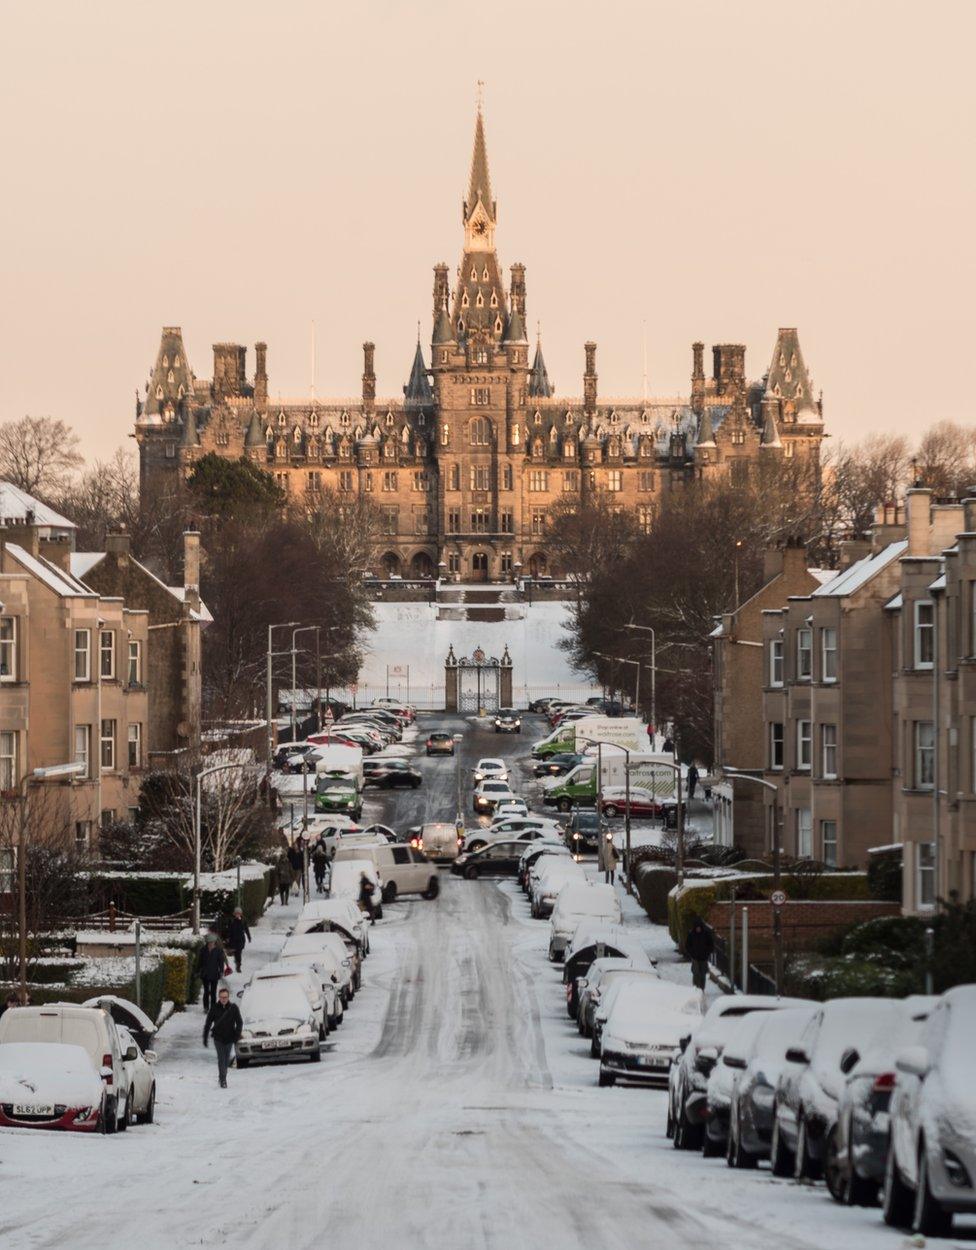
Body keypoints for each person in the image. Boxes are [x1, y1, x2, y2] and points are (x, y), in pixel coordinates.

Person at [203, 984, 243, 1088]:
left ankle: (222, 1076)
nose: (223, 999)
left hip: (230, 1037)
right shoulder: (214, 1008)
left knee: (226, 1059)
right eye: (221, 997)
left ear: (228, 997)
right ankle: (223, 1080)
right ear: (219, 997)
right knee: (221, 1059)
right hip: (218, 1038)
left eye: (225, 997)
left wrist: (237, 1035)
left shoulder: (233, 1008)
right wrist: (205, 1037)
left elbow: (239, 1022)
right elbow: (208, 1023)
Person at [198, 931, 230, 1011]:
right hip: (205, 974)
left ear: (215, 942)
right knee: (206, 991)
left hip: (214, 974)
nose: (211, 944)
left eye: (212, 942)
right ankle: (206, 1007)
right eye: (210, 942)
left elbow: (221, 962)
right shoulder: (203, 950)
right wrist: (198, 970)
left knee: (213, 992)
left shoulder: (218, 951)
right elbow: (200, 962)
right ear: (207, 942)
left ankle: (212, 1007)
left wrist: (221, 971)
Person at [685, 918, 714, 991]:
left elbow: (711, 945)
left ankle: (702, 988)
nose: (698, 929)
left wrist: (707, 953)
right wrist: (692, 953)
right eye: (697, 927)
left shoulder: (706, 934)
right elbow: (688, 945)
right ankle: (695, 988)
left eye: (699, 927)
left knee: (702, 974)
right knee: (696, 973)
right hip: (695, 957)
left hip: (704, 958)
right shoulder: (691, 934)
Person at [226, 906, 251, 974]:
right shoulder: (231, 920)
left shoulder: (243, 920)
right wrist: (228, 937)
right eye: (236, 913)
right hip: (233, 939)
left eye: (239, 913)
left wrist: (249, 937)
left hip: (240, 939)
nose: (237, 914)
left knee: (238, 953)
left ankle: (238, 965)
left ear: (241, 914)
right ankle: (236, 961)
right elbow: (229, 929)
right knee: (235, 952)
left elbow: (246, 929)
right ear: (234, 913)